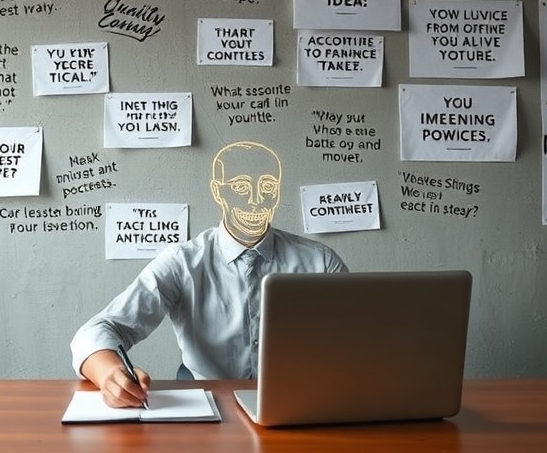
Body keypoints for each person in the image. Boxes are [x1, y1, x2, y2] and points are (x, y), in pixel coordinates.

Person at [70, 140, 348, 407]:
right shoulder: (183, 262)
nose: (256, 200)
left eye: (267, 187)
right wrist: (109, 373)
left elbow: (355, 342)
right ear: (218, 191)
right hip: (209, 406)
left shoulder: (321, 262)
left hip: (299, 404)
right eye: (240, 187)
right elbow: (95, 331)